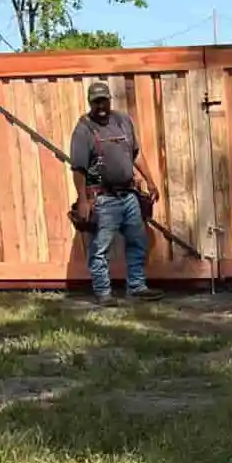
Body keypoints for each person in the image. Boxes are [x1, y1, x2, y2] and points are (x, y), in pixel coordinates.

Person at [70, 79, 162, 303]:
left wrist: (150, 181)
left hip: (129, 195)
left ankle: (137, 287)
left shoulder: (123, 122)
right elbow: (79, 168)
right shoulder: (83, 130)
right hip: (102, 198)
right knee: (100, 248)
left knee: (137, 242)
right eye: (96, 102)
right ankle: (103, 293)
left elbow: (136, 154)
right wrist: (83, 200)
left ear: (109, 100)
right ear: (90, 103)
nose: (100, 106)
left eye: (103, 101)